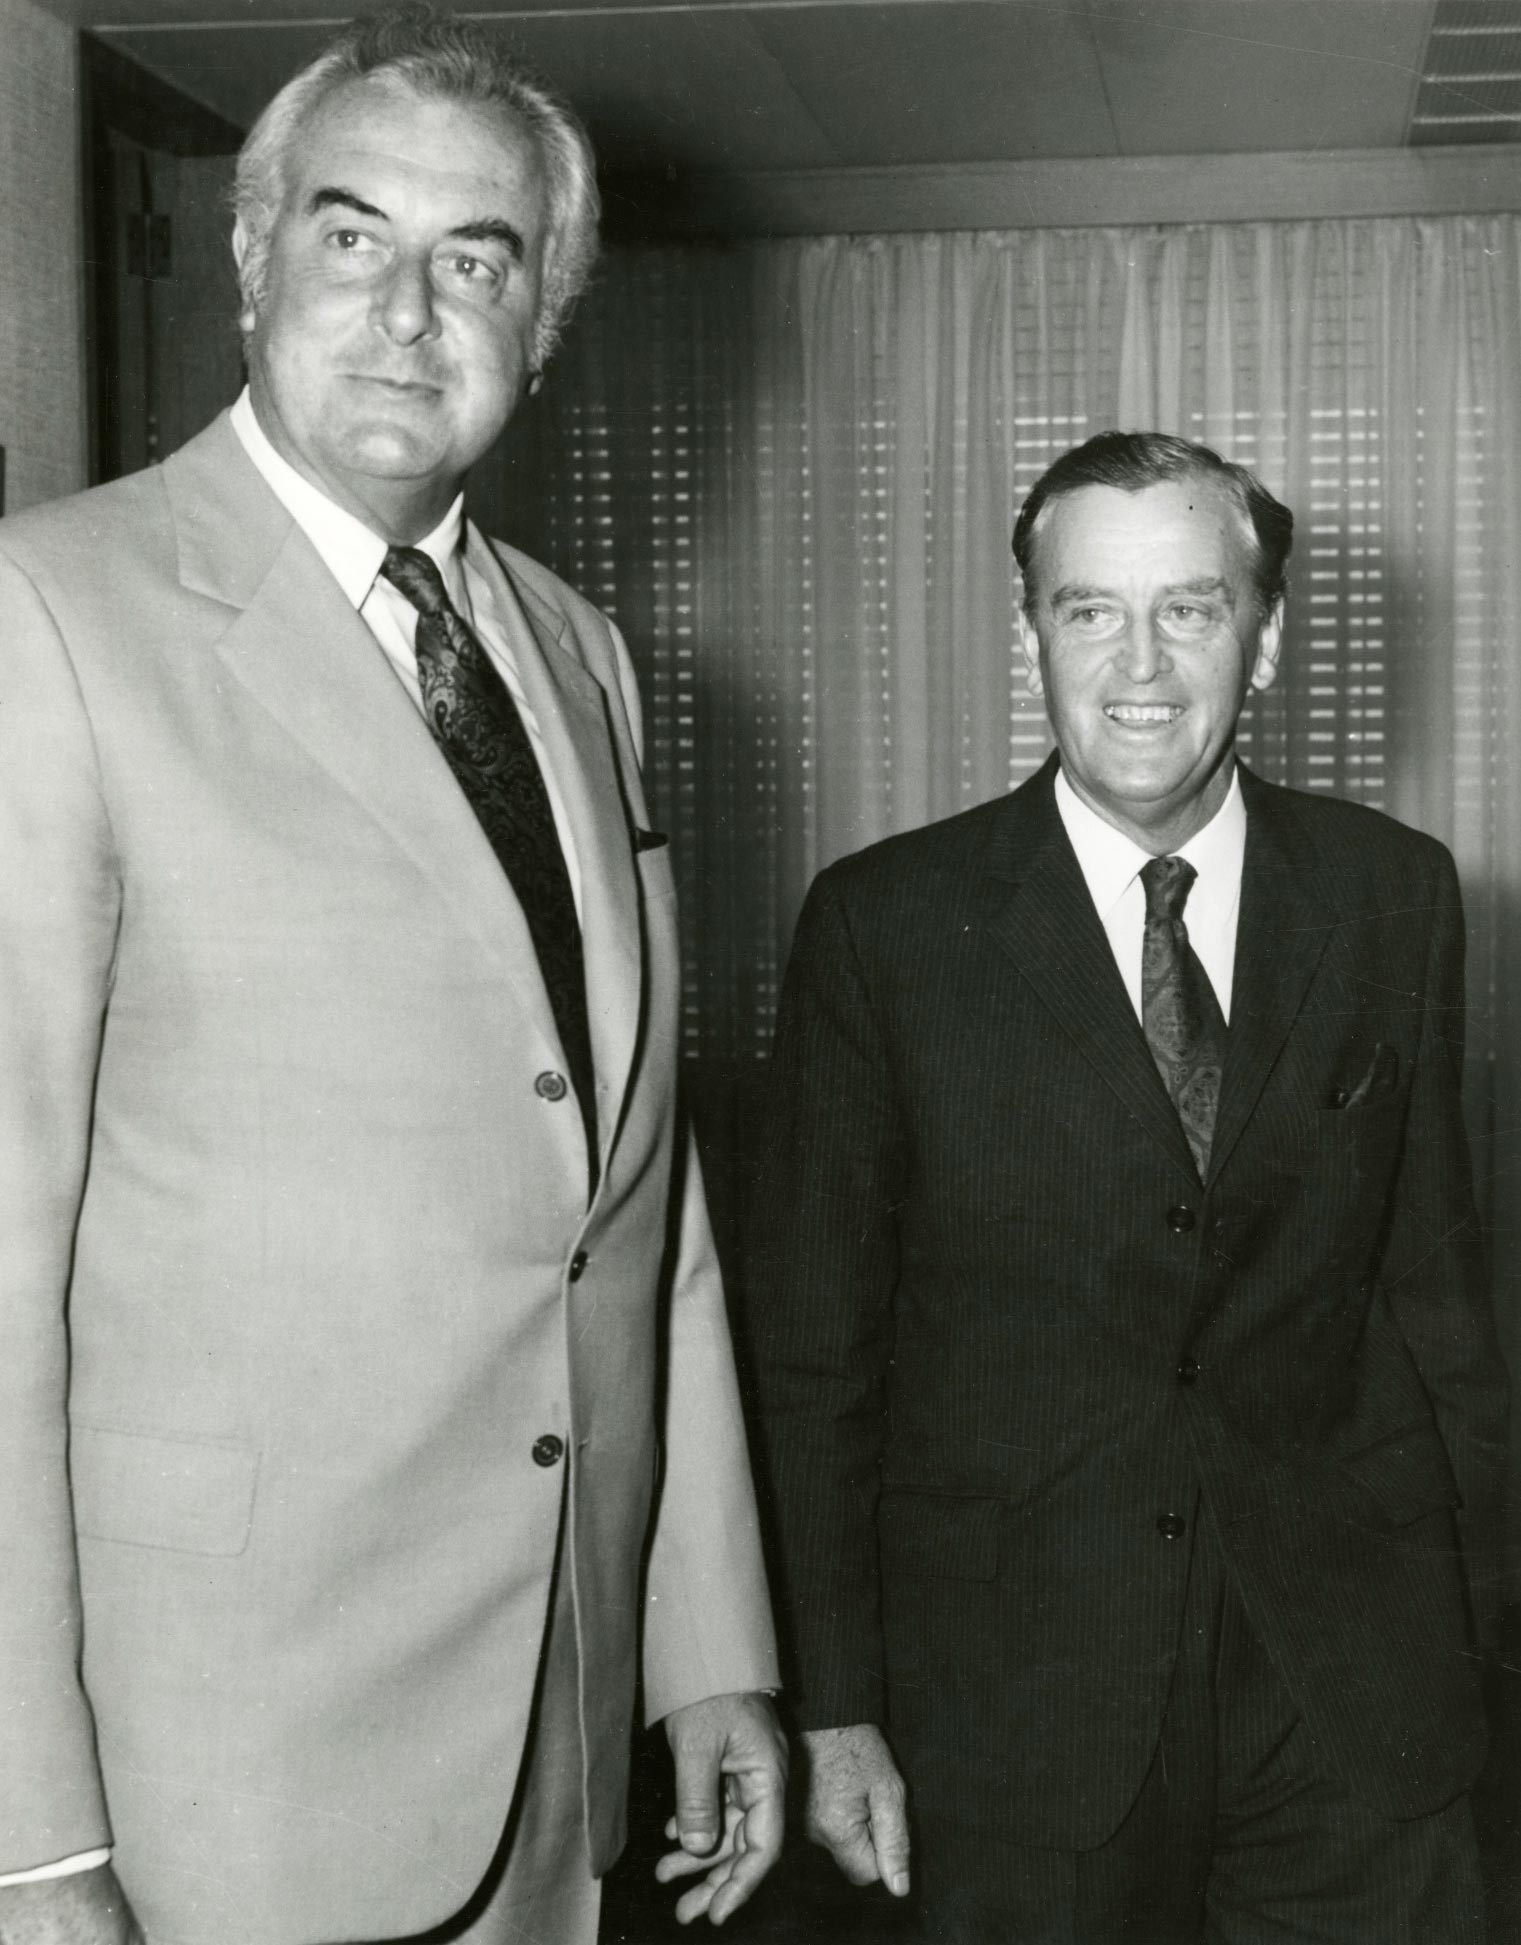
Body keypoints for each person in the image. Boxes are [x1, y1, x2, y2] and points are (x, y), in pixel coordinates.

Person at [0, 10, 784, 1942]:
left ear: (548, 317)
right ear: (256, 258)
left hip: (552, 1752)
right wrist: (31, 1837)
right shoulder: (52, 614)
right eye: (352, 237)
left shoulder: (577, 655)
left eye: (477, 258)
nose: (409, 313)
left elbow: (630, 1196)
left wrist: (705, 1645)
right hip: (218, 1776)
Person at [745, 431, 1508, 1942]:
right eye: (1090, 609)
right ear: (1031, 631)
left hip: (1352, 1692)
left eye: (1192, 607)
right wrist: (833, 1706)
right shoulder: (884, 929)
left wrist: (1485, 1629)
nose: (1139, 664)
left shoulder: (1392, 893)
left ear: (1267, 634)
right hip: (1021, 1706)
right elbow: (812, 1359)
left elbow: (1438, 1299)